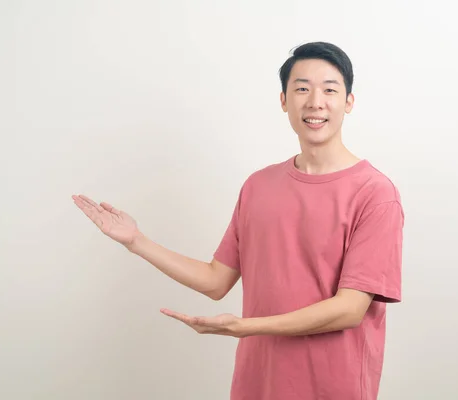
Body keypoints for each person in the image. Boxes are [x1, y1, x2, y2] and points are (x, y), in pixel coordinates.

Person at [72, 41, 404, 400]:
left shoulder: (375, 193)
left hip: (333, 388)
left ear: (349, 102)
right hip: (257, 385)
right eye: (302, 88)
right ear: (284, 101)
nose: (315, 102)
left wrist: (247, 327)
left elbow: (350, 309)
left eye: (329, 90)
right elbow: (216, 280)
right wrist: (136, 241)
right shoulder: (258, 186)